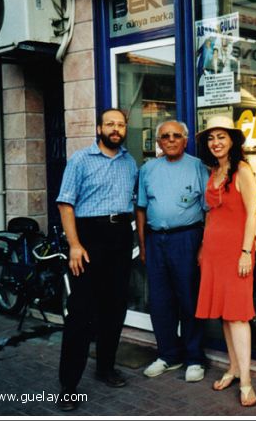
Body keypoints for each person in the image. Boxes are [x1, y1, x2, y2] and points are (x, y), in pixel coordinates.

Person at [55, 108, 138, 411]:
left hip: (119, 238)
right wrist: (74, 244)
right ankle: (68, 385)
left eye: (120, 124)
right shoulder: (81, 159)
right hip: (88, 238)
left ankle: (105, 367)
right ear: (99, 128)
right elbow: (66, 204)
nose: (115, 129)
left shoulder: (130, 163)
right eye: (110, 124)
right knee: (80, 313)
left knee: (114, 309)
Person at [137, 120, 209, 383]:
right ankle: (168, 355)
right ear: (158, 141)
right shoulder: (148, 169)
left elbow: (209, 211)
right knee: (160, 301)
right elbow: (141, 209)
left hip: (187, 239)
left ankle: (193, 357)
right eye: (164, 136)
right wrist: (144, 246)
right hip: (156, 241)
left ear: (185, 140)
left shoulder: (198, 167)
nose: (170, 140)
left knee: (189, 300)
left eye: (175, 136)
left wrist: (203, 246)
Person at [195, 115, 256, 408]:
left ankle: (246, 381)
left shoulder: (242, 170)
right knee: (224, 312)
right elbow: (211, 214)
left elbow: (252, 214)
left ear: (232, 140)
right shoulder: (214, 171)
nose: (216, 142)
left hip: (237, 252)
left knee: (238, 314)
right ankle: (233, 368)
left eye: (221, 136)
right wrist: (202, 248)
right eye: (211, 138)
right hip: (213, 251)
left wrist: (246, 251)